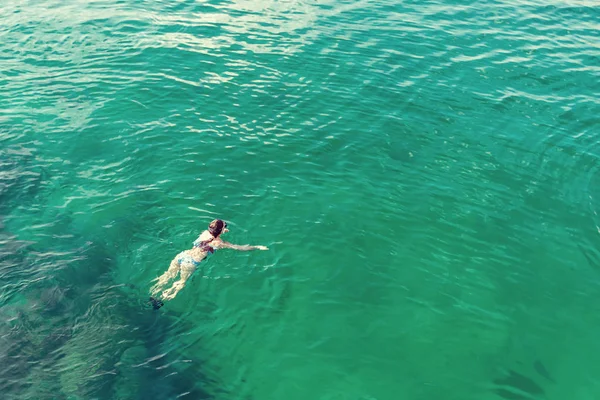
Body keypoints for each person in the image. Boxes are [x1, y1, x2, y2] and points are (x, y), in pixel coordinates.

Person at [149, 219, 268, 309]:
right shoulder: (219, 242)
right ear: (220, 231)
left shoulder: (205, 233)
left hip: (182, 255)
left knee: (168, 275)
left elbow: (211, 236)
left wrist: (221, 231)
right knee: (181, 282)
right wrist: (257, 247)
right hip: (191, 263)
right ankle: (163, 298)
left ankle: (153, 293)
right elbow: (240, 248)